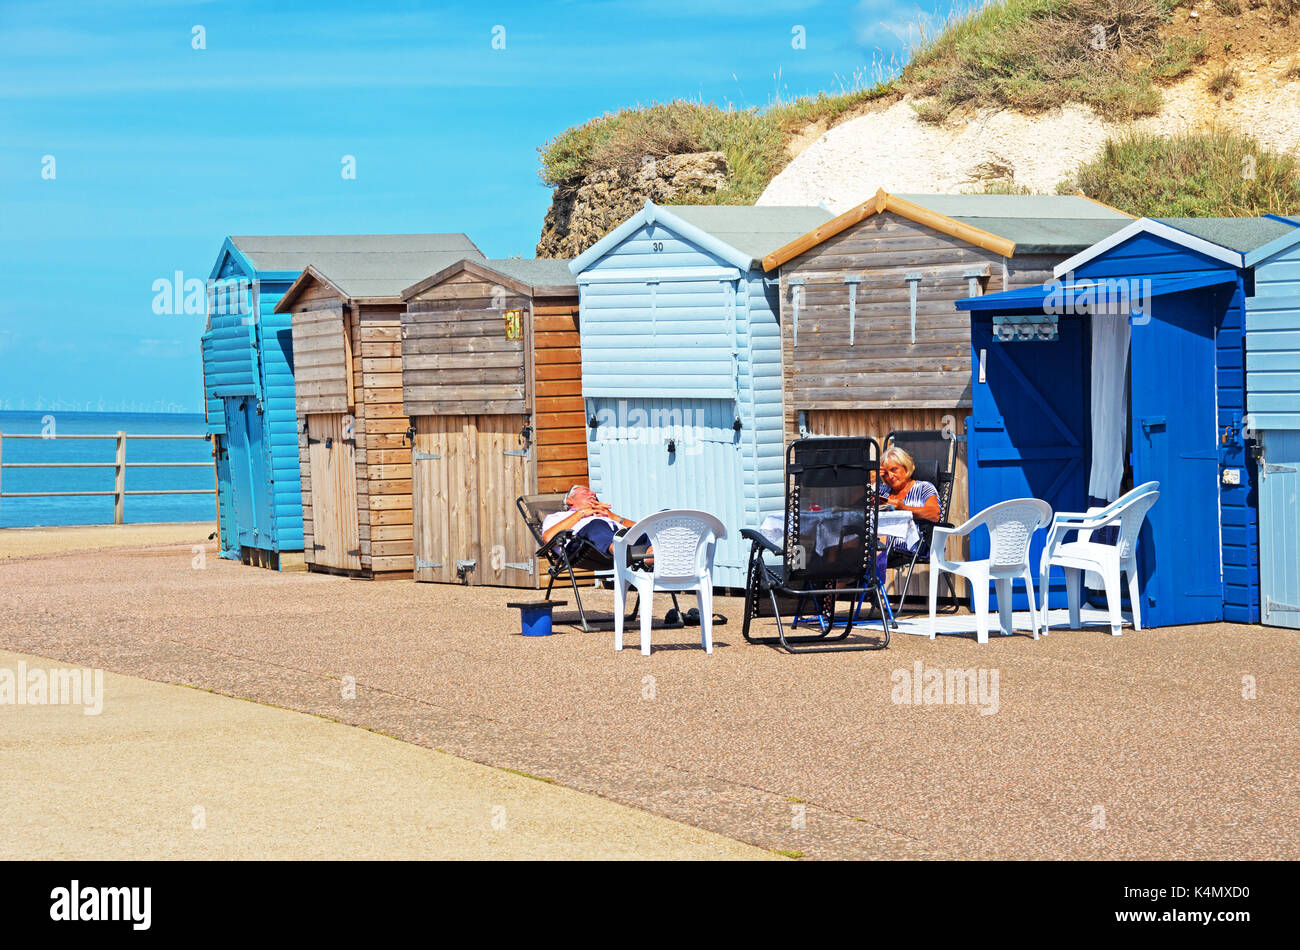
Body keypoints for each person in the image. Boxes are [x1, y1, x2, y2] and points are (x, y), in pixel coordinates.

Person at [541, 485, 638, 556]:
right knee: (596, 525)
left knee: (647, 529)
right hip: (582, 548)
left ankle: (649, 557)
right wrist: (581, 513)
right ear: (570, 500)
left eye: (593, 493)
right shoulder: (558, 516)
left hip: (619, 538)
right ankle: (619, 551)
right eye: (585, 492)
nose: (593, 494)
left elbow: (641, 527)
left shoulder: (602, 515)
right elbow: (548, 538)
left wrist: (613, 516)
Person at [878, 446, 941, 554]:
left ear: (906, 467)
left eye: (894, 469)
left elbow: (935, 514)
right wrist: (870, 478)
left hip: (910, 542)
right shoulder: (881, 490)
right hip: (879, 541)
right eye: (886, 474)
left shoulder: (923, 487)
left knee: (869, 547)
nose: (890, 476)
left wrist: (904, 509)